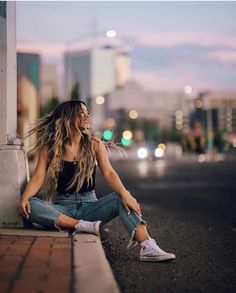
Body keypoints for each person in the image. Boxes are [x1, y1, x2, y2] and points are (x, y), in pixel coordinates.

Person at [18, 100, 176, 262]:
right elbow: (38, 177)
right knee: (33, 205)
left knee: (120, 199)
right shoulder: (50, 147)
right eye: (81, 113)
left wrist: (125, 193)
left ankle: (147, 246)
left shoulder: (94, 144)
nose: (86, 116)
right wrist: (24, 198)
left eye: (87, 112)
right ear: (67, 117)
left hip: (90, 207)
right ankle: (79, 225)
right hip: (63, 207)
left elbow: (109, 173)